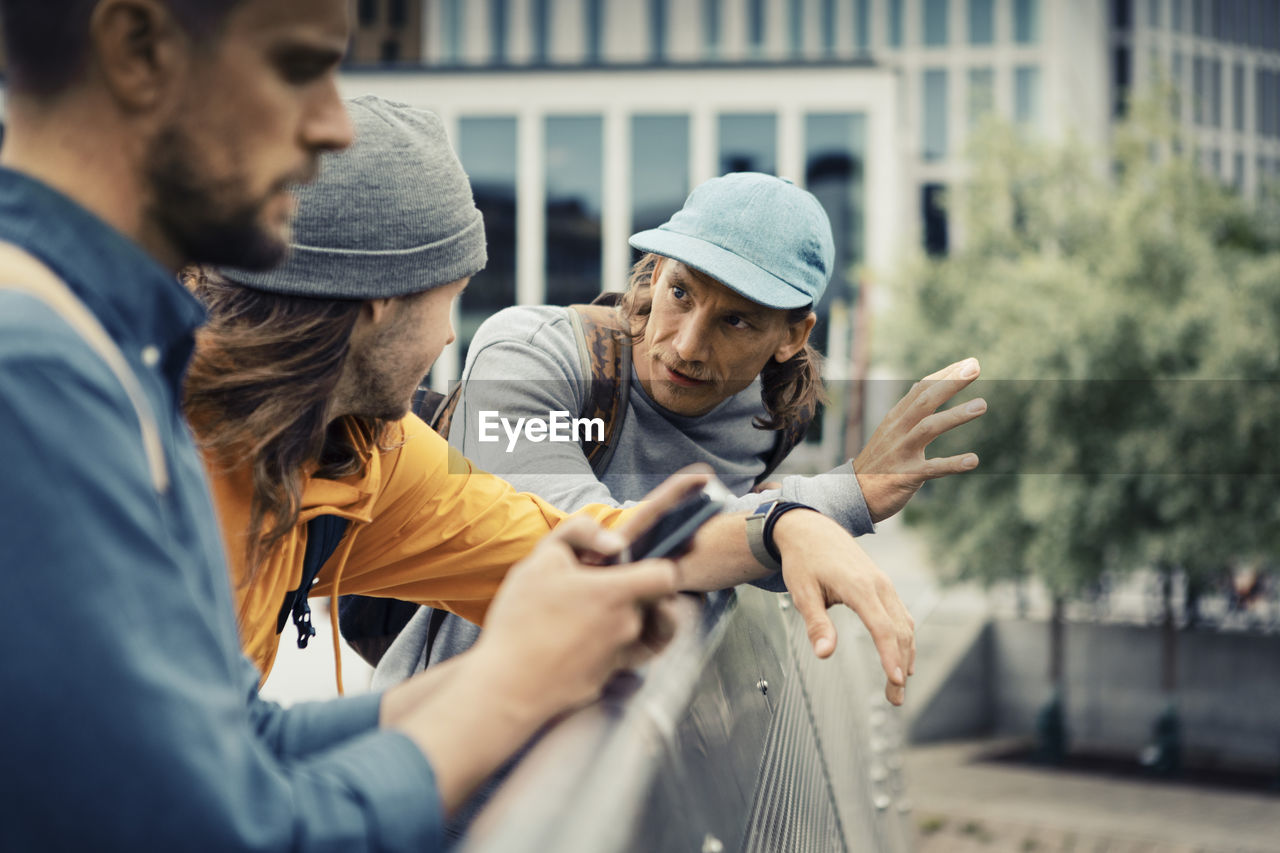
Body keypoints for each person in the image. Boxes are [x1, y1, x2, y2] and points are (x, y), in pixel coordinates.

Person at [0, 2, 699, 849]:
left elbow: (235, 742)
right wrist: (515, 680)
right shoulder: (36, 378)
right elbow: (228, 829)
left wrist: (533, 650)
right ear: (138, 47)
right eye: (299, 67)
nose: (335, 128)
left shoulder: (117, 353)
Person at [183, 96, 918, 705]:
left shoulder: (371, 461)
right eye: (449, 302)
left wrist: (789, 519)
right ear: (380, 302)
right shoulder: (139, 459)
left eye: (738, 320)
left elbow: (592, 550)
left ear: (792, 336)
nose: (449, 341)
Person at [377, 171, 984, 686]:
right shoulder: (529, 354)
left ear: (792, 337)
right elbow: (577, 545)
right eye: (680, 293)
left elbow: (736, 539)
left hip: (632, 771)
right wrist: (823, 507)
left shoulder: (770, 418)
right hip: (446, 758)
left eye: (738, 321)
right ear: (654, 270)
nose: (688, 346)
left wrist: (825, 506)